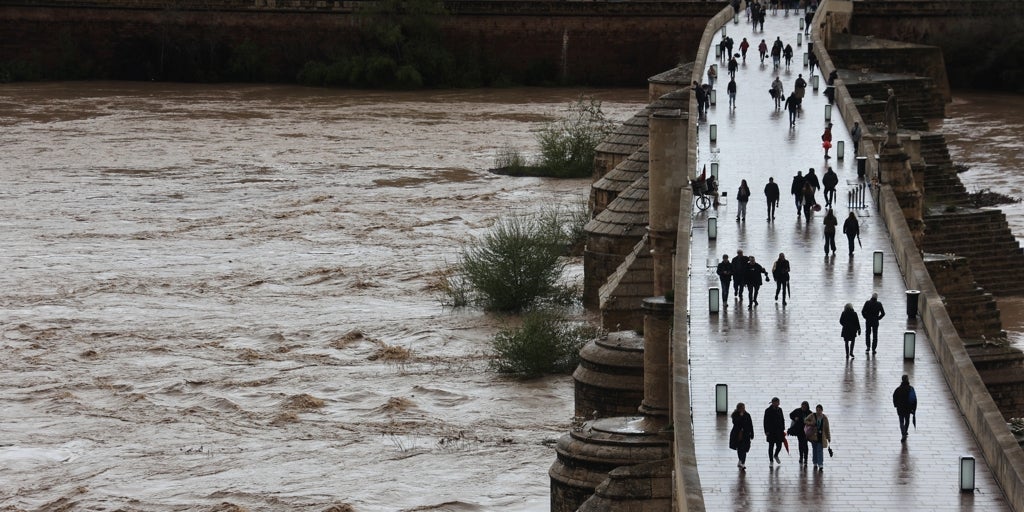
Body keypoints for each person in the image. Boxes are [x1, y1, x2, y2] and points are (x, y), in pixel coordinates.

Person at [805, 404, 831, 471]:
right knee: (814, 450)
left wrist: (828, 437)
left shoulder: (825, 418)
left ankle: (820, 464)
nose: (818, 411)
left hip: (821, 437)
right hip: (813, 436)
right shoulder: (812, 415)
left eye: (819, 410)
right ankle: (815, 462)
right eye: (817, 410)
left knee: (820, 450)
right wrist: (811, 423)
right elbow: (805, 420)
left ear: (822, 410)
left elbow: (827, 428)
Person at [892, 375, 918, 442]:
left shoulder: (898, 389)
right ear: (907, 380)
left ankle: (903, 433)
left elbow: (894, 397)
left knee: (901, 422)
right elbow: (914, 399)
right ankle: (905, 431)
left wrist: (896, 405)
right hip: (908, 408)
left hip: (900, 408)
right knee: (907, 420)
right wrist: (913, 408)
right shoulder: (911, 388)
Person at [730, 402, 755, 470]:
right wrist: (741, 417)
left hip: (746, 435)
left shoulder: (747, 415)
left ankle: (742, 462)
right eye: (742, 408)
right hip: (738, 435)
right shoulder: (735, 415)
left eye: (744, 408)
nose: (743, 409)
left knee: (744, 449)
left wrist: (752, 433)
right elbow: (735, 423)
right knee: (739, 448)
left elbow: (750, 424)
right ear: (738, 409)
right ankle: (741, 461)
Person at [764, 397, 786, 467]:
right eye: (776, 402)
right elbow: (765, 421)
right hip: (771, 431)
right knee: (771, 446)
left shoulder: (780, 410)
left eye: (778, 402)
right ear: (773, 403)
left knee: (779, 445)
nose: (777, 404)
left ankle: (776, 455)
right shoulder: (768, 410)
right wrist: (766, 431)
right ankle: (771, 460)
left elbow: (782, 419)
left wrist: (783, 428)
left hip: (779, 431)